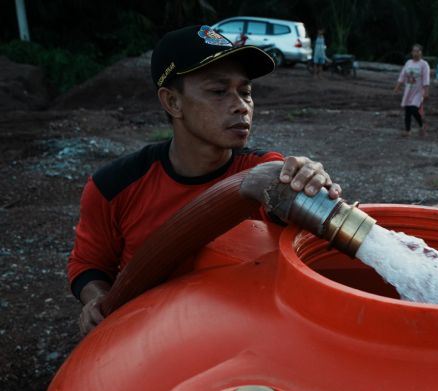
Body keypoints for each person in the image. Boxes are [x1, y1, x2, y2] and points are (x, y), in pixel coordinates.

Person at [68, 25, 342, 336]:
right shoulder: (114, 186)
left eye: (246, 91)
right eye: (218, 91)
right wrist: (98, 301)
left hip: (241, 334)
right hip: (148, 335)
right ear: (172, 102)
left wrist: (310, 184)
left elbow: (306, 233)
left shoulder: (265, 172)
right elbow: (88, 264)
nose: (242, 105)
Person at [393, 44, 430, 137]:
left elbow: (426, 78)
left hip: (418, 91)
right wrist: (397, 86)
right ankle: (407, 130)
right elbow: (402, 75)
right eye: (414, 51)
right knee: (407, 110)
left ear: (421, 52)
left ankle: (422, 125)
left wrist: (426, 92)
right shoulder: (408, 63)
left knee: (414, 109)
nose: (415, 53)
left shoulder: (424, 64)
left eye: (418, 51)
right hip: (408, 90)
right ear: (411, 52)